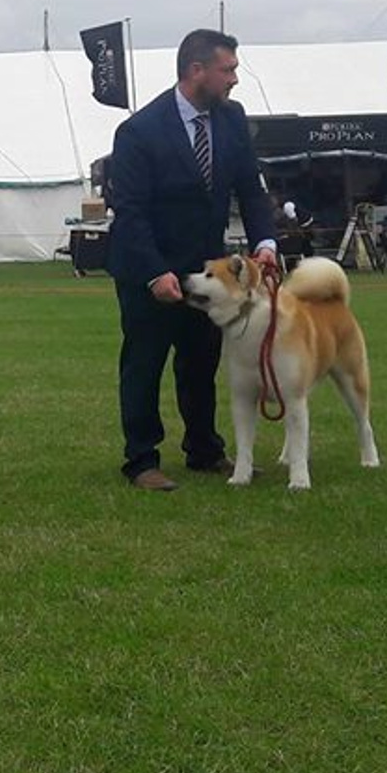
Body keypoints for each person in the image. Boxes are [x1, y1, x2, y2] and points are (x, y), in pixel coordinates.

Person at [107, 28, 277, 491]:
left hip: (206, 273)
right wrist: (155, 272)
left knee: (200, 363)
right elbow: (131, 212)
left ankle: (204, 450)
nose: (235, 80)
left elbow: (250, 188)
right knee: (144, 363)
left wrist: (266, 241)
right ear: (196, 70)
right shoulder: (139, 131)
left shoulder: (232, 119)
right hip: (150, 268)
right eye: (229, 70)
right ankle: (141, 461)